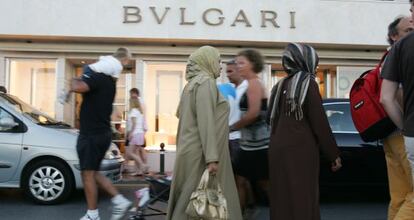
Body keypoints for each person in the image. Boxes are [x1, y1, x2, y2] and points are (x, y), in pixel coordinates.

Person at [166, 46, 242, 220]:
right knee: (196, 203)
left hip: (193, 150)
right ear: (207, 61)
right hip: (202, 153)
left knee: (192, 200)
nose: (220, 66)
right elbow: (205, 120)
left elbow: (183, 117)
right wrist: (212, 158)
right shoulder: (205, 82)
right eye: (218, 61)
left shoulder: (190, 85)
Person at [267, 43, 342, 220]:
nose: (315, 67)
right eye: (314, 62)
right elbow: (319, 122)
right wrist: (333, 154)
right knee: (303, 196)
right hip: (300, 150)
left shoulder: (279, 86)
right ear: (304, 60)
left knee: (281, 197)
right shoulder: (307, 83)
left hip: (277, 148)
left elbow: (272, 120)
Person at [70, 47, 133, 220]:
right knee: (93, 172)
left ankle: (93, 215)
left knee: (87, 174)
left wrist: (76, 77)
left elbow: (79, 86)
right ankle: (119, 200)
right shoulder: (109, 83)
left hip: (91, 134)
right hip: (102, 133)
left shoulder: (97, 77)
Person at [381, 2, 414, 219]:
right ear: (394, 35)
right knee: (410, 197)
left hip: (399, 133)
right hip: (400, 134)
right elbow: (394, 97)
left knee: (400, 193)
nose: (411, 20)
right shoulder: (400, 50)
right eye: (407, 31)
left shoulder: (394, 53)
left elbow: (386, 97)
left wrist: (406, 126)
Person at [230, 49, 270, 211]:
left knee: (263, 183)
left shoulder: (253, 84)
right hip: (251, 143)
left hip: (257, 144)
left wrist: (231, 128)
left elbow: (253, 113)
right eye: (237, 62)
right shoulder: (251, 83)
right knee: (243, 179)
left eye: (242, 63)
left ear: (252, 64)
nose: (238, 66)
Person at [125, 97, 148, 176]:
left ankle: (142, 165)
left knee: (130, 152)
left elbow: (134, 124)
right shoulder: (139, 112)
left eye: (129, 102)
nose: (129, 103)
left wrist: (130, 133)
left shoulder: (133, 111)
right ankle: (139, 171)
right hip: (140, 134)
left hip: (135, 134)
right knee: (136, 152)